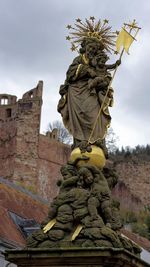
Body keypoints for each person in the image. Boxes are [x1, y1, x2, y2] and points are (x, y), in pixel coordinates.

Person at [57, 37, 120, 151]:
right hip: (76, 92)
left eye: (94, 48)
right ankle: (79, 142)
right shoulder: (78, 59)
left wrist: (104, 81)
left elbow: (105, 74)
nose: (91, 50)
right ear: (85, 47)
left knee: (95, 116)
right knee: (78, 117)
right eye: (90, 47)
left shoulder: (97, 61)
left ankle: (97, 142)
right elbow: (70, 73)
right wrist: (86, 70)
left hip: (92, 93)